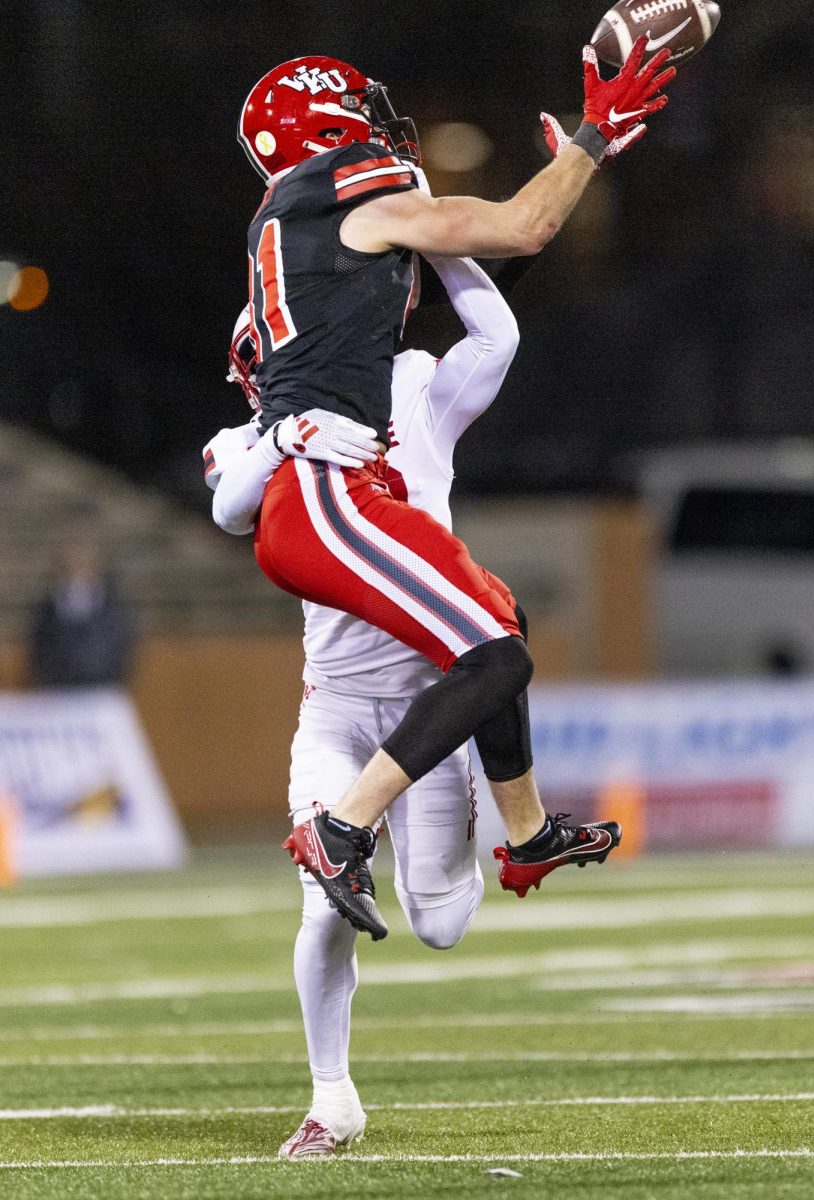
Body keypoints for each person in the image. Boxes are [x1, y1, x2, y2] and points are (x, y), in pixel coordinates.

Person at [233, 39, 675, 939]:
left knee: (498, 618)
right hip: (327, 494)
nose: (384, 134)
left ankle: (527, 831)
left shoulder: (310, 227)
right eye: (362, 117)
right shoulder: (329, 192)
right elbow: (520, 229)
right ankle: (342, 827)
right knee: (495, 656)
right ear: (329, 132)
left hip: (335, 491)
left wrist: (569, 167)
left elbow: (479, 274)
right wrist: (593, 138)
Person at [204, 249, 532, 1156]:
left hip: (430, 712)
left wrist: (438, 234)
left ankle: (475, 835)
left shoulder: (413, 389)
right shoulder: (253, 443)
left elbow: (496, 335)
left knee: (439, 923)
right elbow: (232, 508)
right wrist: (281, 437)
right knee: (321, 902)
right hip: (337, 708)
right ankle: (331, 1097)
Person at [29, 543, 135, 688]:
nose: (79, 573)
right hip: (59, 689)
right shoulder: (48, 608)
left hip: (102, 688)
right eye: (73, 567)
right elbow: (40, 645)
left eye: (83, 566)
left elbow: (122, 644)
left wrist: (111, 676)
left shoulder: (112, 607)